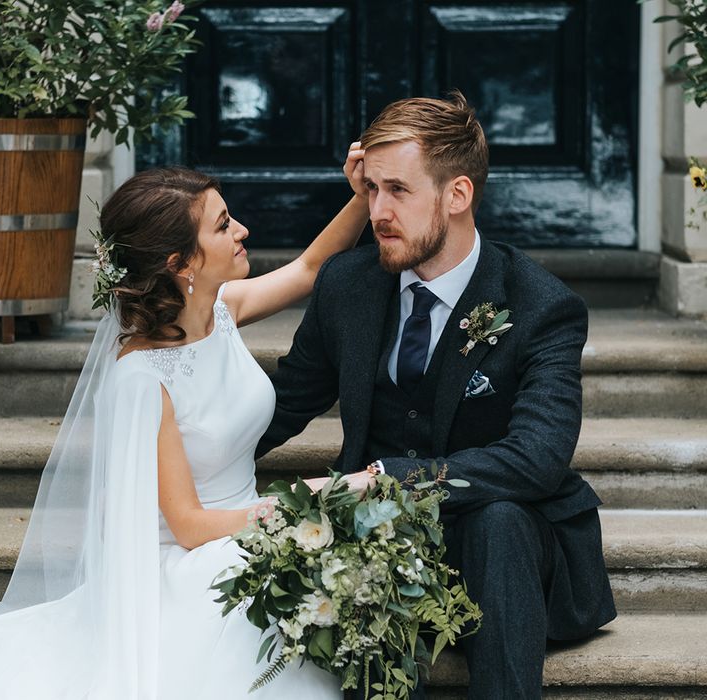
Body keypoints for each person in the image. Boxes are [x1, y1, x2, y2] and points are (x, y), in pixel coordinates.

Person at [0, 153, 370, 698]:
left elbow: (310, 268)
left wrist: (361, 195)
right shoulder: (144, 379)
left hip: (246, 533)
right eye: (222, 226)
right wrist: (309, 499)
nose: (242, 230)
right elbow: (189, 525)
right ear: (180, 264)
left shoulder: (222, 310)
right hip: (192, 562)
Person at [257, 92, 617, 698]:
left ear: (457, 195)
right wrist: (176, 458)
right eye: (370, 189)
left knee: (499, 520)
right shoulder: (347, 286)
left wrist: (384, 477)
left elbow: (537, 459)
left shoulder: (540, 305)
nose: (377, 211)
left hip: (505, 551)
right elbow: (282, 405)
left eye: (398, 190)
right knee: (367, 536)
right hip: (383, 541)